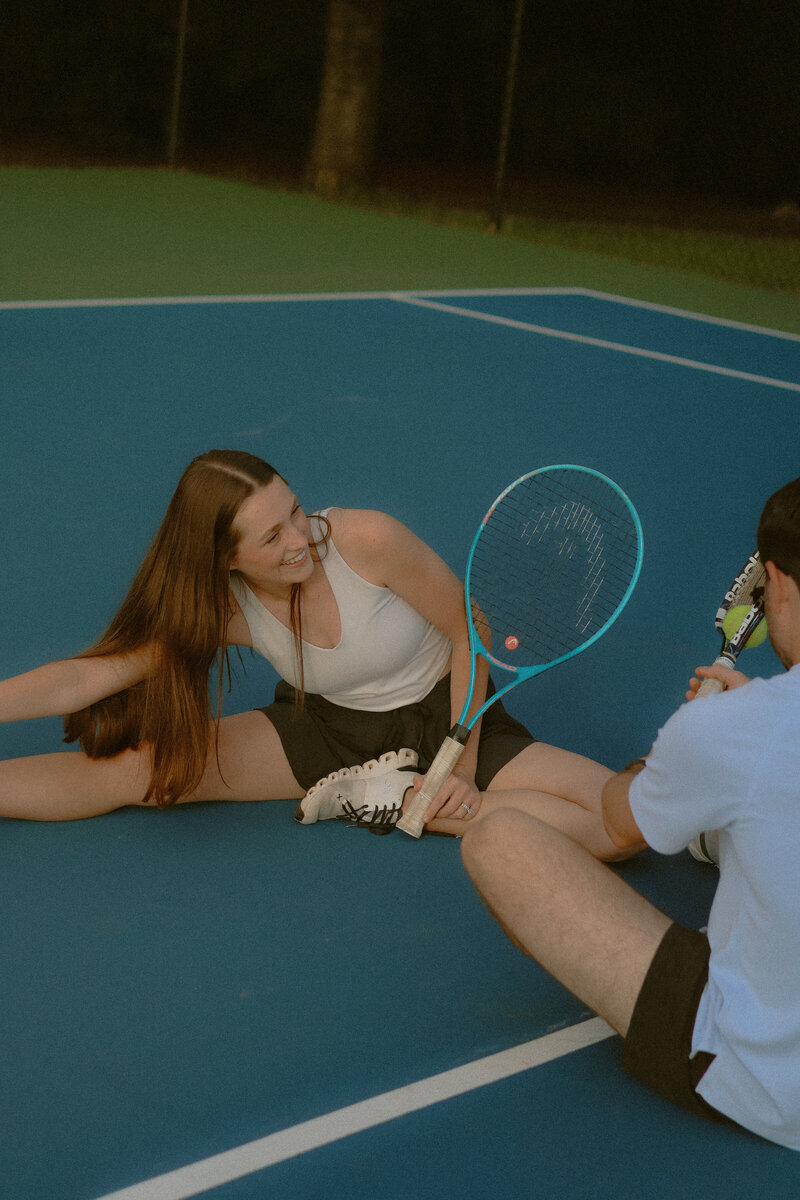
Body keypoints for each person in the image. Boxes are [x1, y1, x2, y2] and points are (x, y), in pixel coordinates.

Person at [0, 449, 626, 856]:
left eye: (295, 511)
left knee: (616, 826)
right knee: (145, 775)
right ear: (227, 558)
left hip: (451, 710)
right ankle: (395, 793)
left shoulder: (368, 540)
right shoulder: (224, 607)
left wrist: (459, 771)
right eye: (272, 536)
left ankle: (399, 795)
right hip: (328, 728)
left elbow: (471, 629)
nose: (300, 539)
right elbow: (79, 682)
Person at [461, 475, 800, 1150]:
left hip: (764, 1082)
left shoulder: (740, 730)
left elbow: (617, 823)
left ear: (775, 583)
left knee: (496, 842)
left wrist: (699, 738)